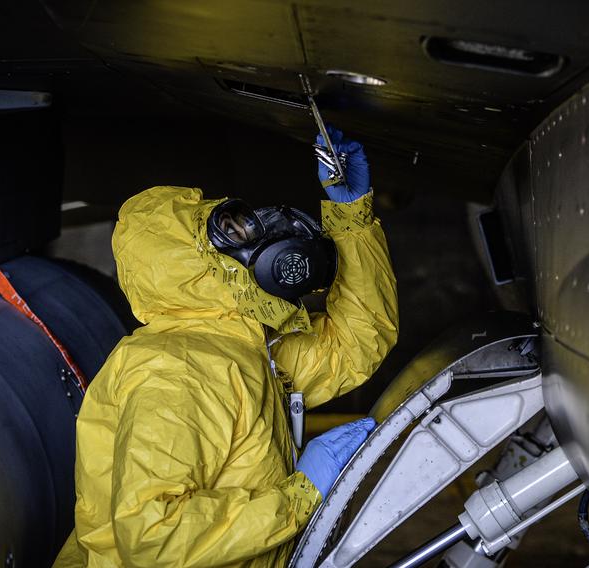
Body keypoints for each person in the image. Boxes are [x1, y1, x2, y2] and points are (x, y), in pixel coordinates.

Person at [53, 127, 399, 568]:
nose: (257, 240)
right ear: (196, 269)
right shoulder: (177, 372)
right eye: (232, 234)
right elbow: (152, 536)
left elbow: (357, 342)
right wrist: (300, 496)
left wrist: (351, 218)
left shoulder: (245, 346)